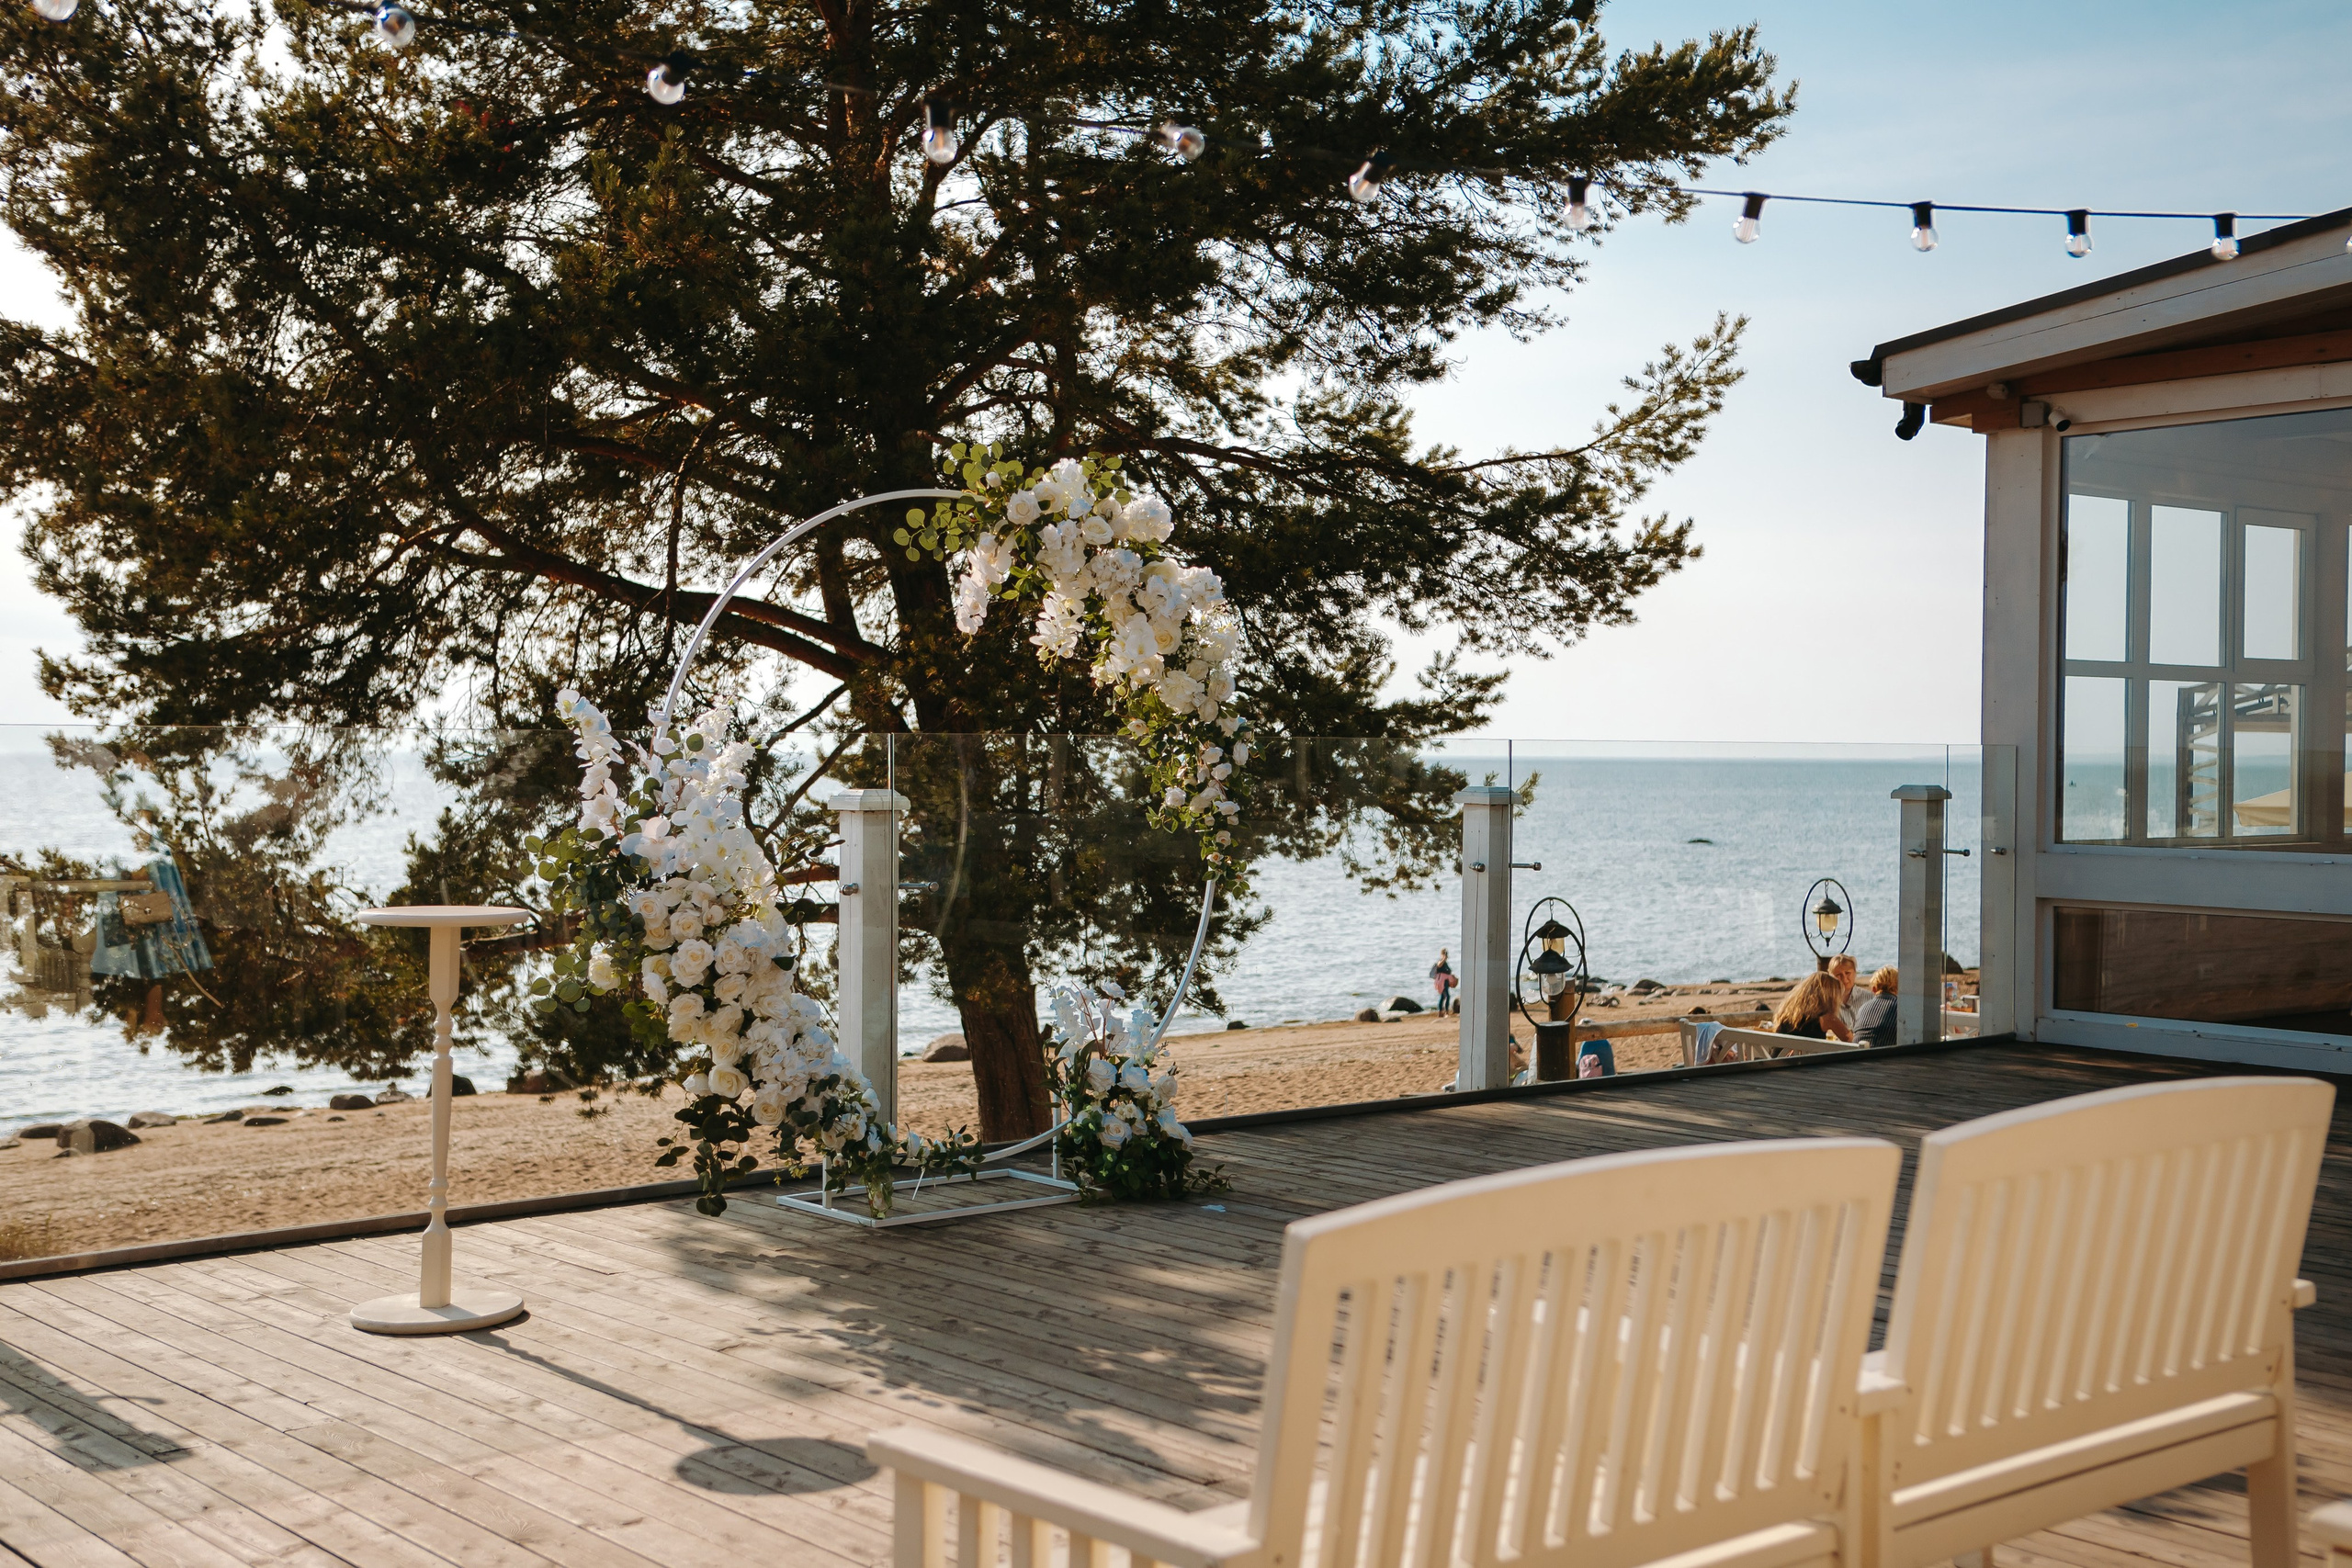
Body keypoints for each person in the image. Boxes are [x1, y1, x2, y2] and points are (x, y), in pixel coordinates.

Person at [1769, 970, 1853, 1042]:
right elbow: (1851, 1041)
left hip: (1778, 1059)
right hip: (1804, 1061)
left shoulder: (1789, 1013)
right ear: (1830, 997)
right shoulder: (1827, 1017)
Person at [1853, 966, 1899, 1046]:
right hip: (1884, 1057)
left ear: (1874, 989)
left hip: (1856, 1056)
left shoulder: (1863, 1008)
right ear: (1898, 989)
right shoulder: (1900, 1007)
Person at [1827, 954, 1860, 1038]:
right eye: (1839, 975)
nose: (1844, 979)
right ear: (1831, 976)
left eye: (1847, 973)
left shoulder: (1869, 998)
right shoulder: (1825, 1001)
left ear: (1855, 973)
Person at [1430, 949, 1457, 1014]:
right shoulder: (1441, 962)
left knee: (1443, 996)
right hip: (1442, 982)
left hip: (1446, 982)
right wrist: (1443, 958)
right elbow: (1439, 965)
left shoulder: (1445, 963)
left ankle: (1441, 1011)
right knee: (1447, 996)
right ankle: (1445, 1011)